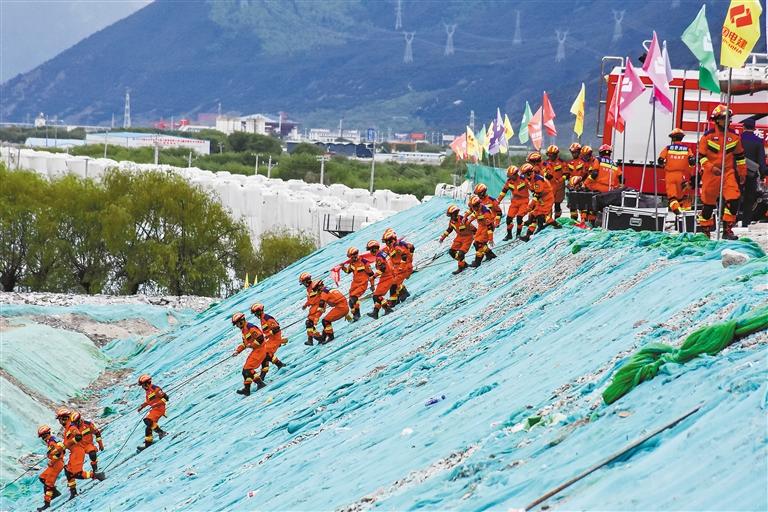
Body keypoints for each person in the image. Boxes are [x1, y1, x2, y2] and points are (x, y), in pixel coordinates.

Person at [697, 105, 747, 239]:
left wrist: (742, 173)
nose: (727, 121)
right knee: (708, 205)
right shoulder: (707, 137)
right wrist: (711, 168)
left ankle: (727, 230)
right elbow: (701, 157)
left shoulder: (734, 137)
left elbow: (740, 156)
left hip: (727, 172)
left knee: (734, 199)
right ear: (717, 120)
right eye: (724, 118)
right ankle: (705, 231)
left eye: (728, 118)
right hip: (711, 174)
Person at [55, 408, 105, 499]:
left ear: (64, 418)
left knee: (76, 473)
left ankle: (96, 475)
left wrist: (66, 445)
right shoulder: (67, 429)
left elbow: (77, 437)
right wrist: (61, 450)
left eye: (59, 419)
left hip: (77, 451)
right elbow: (66, 442)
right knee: (68, 472)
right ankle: (73, 492)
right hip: (74, 452)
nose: (59, 421)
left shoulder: (71, 427)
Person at [520, 163, 561, 241]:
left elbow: (537, 194)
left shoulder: (538, 180)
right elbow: (534, 192)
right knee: (533, 214)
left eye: (525, 174)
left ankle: (556, 225)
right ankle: (528, 235)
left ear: (529, 173)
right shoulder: (531, 180)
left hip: (547, 199)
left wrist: (530, 205)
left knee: (541, 215)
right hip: (541, 199)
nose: (524, 176)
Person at [658, 128, 695, 215]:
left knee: (672, 197)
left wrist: (664, 165)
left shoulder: (668, 149)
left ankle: (677, 212)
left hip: (670, 175)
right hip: (682, 176)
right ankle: (684, 216)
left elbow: (660, 161)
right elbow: (692, 162)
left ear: (673, 138)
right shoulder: (687, 149)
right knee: (681, 197)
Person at [231, 312, 268, 395]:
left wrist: (252, 345)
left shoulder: (249, 327)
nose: (236, 326)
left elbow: (260, 338)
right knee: (244, 371)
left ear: (241, 321)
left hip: (260, 350)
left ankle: (260, 384)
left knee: (248, 369)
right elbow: (244, 343)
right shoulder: (244, 330)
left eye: (237, 324)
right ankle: (247, 389)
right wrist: (238, 351)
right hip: (256, 350)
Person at [739, 118, 767, 227]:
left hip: (736, 173)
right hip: (751, 174)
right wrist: (763, 174)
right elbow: (761, 160)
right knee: (749, 198)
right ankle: (745, 222)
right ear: (754, 128)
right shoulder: (758, 141)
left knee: (734, 196)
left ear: (743, 127)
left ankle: (730, 221)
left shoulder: (738, 139)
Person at [439, 204, 476, 274]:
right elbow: (449, 229)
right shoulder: (451, 221)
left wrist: (476, 233)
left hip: (468, 237)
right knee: (451, 252)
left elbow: (471, 226)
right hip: (459, 237)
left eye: (453, 214)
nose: (452, 216)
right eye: (451, 215)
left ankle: (461, 267)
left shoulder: (462, 219)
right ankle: (463, 263)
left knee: (461, 253)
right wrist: (443, 237)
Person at [36, 424, 65, 511]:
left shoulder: (52, 442)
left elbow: (59, 452)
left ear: (46, 434)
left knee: (48, 484)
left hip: (57, 464)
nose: (42, 439)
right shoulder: (51, 440)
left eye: (43, 436)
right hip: (54, 464)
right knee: (42, 477)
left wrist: (52, 461)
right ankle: (55, 493)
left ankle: (47, 504)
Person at [341, 247, 375, 321]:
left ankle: (357, 314)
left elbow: (371, 274)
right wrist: (343, 267)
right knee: (350, 301)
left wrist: (372, 285)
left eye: (354, 255)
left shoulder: (364, 262)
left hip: (362, 284)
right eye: (351, 257)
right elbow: (348, 271)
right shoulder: (352, 263)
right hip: (354, 284)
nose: (353, 258)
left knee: (354, 297)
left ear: (357, 254)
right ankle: (355, 315)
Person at [496, 165, 529, 240]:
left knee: (519, 218)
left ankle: (518, 234)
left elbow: (531, 187)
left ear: (515, 174)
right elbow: (504, 191)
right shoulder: (509, 182)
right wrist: (498, 200)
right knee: (509, 219)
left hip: (524, 201)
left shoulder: (524, 179)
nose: (510, 178)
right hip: (514, 202)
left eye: (511, 176)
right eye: (509, 176)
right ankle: (509, 235)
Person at [250, 303, 286, 370]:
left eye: (256, 313)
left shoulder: (266, 318)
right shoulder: (262, 319)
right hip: (271, 340)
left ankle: (279, 364)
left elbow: (276, 328)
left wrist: (268, 335)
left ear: (259, 311)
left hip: (275, 339)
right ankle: (265, 371)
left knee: (265, 353)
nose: (255, 315)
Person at [136, 374, 168, 449]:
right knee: (148, 428)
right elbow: (148, 401)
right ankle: (148, 443)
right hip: (154, 409)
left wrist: (157, 403)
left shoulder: (156, 389)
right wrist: (142, 406)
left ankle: (162, 433)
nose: (142, 387)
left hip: (159, 409)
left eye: (143, 385)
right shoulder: (148, 392)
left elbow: (166, 398)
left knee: (147, 420)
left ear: (147, 383)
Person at [382, 229, 414, 304]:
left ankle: (394, 300)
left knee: (393, 283)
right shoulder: (393, 247)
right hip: (401, 268)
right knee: (393, 282)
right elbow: (412, 248)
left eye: (387, 242)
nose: (386, 244)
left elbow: (404, 256)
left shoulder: (396, 246)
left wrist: (402, 266)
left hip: (404, 268)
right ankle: (399, 295)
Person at [366, 240, 396, 319]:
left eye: (370, 250)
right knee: (376, 296)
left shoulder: (379, 257)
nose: (370, 252)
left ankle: (386, 309)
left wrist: (374, 276)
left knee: (376, 296)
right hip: (388, 276)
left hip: (387, 277)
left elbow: (383, 268)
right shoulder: (383, 253)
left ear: (374, 249)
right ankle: (376, 312)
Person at [466, 195, 497, 267]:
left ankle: (477, 262)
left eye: (473, 207)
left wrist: (490, 239)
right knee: (476, 243)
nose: (472, 209)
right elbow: (475, 214)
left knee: (479, 244)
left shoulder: (485, 213)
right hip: (481, 226)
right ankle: (490, 255)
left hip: (487, 227)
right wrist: (468, 220)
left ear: (477, 205)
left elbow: (489, 227)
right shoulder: (477, 208)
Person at [543, 145, 567, 219]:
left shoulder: (562, 162)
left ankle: (557, 219)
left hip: (559, 187)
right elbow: (542, 172)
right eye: (549, 155)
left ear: (556, 154)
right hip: (549, 187)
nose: (550, 156)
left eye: (552, 155)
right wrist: (546, 175)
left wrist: (560, 180)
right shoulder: (545, 163)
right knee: (548, 204)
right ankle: (548, 220)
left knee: (557, 204)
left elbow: (566, 174)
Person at [299, 272, 323, 345]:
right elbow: (310, 299)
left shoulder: (314, 285)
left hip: (318, 306)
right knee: (309, 323)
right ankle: (316, 338)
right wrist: (305, 305)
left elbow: (322, 291)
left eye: (303, 283)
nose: (303, 285)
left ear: (307, 281)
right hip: (313, 307)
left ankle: (315, 338)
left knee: (309, 323)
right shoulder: (308, 289)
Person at [565, 142, 586, 222]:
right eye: (572, 152)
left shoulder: (584, 162)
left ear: (579, 152)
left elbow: (585, 174)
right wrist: (568, 184)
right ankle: (573, 221)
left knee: (582, 204)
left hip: (581, 186)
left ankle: (583, 221)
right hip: (571, 187)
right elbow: (567, 174)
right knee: (572, 205)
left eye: (575, 152)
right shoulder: (569, 163)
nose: (574, 154)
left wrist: (580, 184)